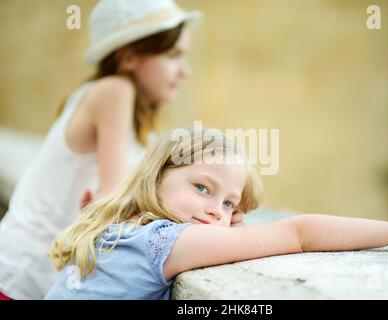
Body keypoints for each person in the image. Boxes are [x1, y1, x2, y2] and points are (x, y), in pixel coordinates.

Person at [0, 0, 237, 300]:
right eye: (173, 55)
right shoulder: (113, 91)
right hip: (19, 281)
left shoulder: (141, 128)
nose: (185, 71)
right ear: (127, 56)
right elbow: (118, 201)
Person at [44, 128, 388, 300]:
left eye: (228, 204)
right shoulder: (162, 241)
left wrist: (230, 226)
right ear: (156, 177)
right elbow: (300, 234)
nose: (213, 210)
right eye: (202, 187)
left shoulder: (122, 229)